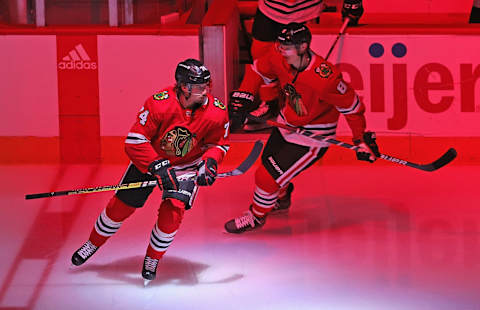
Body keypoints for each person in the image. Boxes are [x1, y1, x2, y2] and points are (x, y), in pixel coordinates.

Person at [71, 59, 230, 283]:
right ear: (184, 86)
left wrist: (210, 163)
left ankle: (152, 258)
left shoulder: (216, 112)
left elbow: (218, 144)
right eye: (200, 86)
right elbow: (134, 141)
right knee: (120, 208)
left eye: (207, 84)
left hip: (185, 167)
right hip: (151, 162)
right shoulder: (159, 103)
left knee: (172, 214)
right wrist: (156, 165)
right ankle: (93, 243)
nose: (206, 90)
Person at [224, 22, 379, 234]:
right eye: (280, 45)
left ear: (303, 47)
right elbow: (257, 71)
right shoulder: (278, 57)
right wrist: (245, 94)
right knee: (269, 165)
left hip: (312, 137)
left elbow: (353, 107)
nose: (281, 50)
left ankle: (257, 216)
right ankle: (281, 197)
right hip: (286, 123)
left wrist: (360, 139)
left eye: (286, 47)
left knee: (266, 176)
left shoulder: (326, 79)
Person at [244, 0, 364, 131]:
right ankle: (270, 104)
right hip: (269, 9)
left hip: (306, 12)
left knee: (302, 67)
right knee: (263, 57)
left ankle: (304, 113)